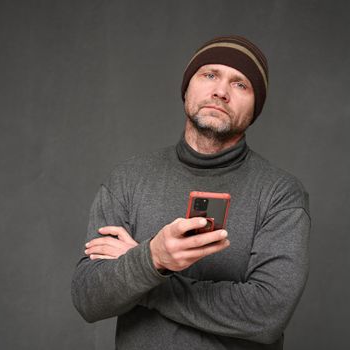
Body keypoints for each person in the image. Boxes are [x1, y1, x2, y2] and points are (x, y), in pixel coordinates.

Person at [71, 35, 310, 350]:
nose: (220, 91)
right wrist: (154, 256)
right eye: (209, 74)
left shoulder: (280, 194)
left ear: (256, 107)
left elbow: (267, 316)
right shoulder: (128, 179)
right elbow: (89, 299)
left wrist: (147, 270)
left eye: (240, 84)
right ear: (187, 87)